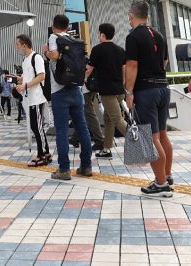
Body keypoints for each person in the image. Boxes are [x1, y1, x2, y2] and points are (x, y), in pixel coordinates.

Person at [125, 2, 173, 196]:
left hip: (146, 91)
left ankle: (161, 184)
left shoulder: (133, 36)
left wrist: (129, 92)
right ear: (148, 16)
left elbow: (132, 66)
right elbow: (165, 62)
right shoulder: (159, 35)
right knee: (162, 134)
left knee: (151, 137)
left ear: (131, 15)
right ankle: (167, 175)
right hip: (163, 88)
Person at [45, 14, 93, 181]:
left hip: (59, 90)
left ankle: (64, 169)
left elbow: (55, 55)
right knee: (83, 128)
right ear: (68, 26)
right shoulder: (75, 40)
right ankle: (86, 166)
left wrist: (46, 51)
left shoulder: (53, 37)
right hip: (76, 90)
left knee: (62, 130)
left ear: (53, 25)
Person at [88, 23, 127, 159]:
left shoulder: (97, 50)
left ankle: (140, 142)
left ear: (102, 34)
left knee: (117, 120)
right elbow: (124, 71)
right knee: (108, 119)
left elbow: (89, 69)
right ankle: (106, 149)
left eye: (99, 33)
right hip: (119, 91)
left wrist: (81, 79)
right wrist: (120, 84)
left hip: (107, 92)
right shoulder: (120, 50)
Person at [16, 35, 51, 167]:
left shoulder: (37, 57)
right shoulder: (25, 59)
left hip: (36, 98)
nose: (16, 47)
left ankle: (42, 155)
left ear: (24, 45)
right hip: (29, 98)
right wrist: (22, 79)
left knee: (38, 127)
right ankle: (45, 153)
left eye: (17, 44)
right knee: (35, 127)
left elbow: (42, 76)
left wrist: (25, 85)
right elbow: (30, 75)